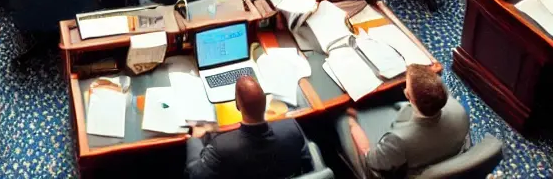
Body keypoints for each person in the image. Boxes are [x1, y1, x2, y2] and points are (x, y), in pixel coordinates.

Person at [337, 65, 469, 179]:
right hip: (446, 155)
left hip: (409, 170)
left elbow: (371, 160)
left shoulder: (398, 140)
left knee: (342, 120)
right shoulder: (459, 109)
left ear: (408, 95)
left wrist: (352, 123)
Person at [187, 74, 313, 179]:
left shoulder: (221, 147)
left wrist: (195, 139)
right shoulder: (290, 128)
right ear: (265, 102)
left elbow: (194, 175)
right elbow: (308, 165)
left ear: (237, 106)